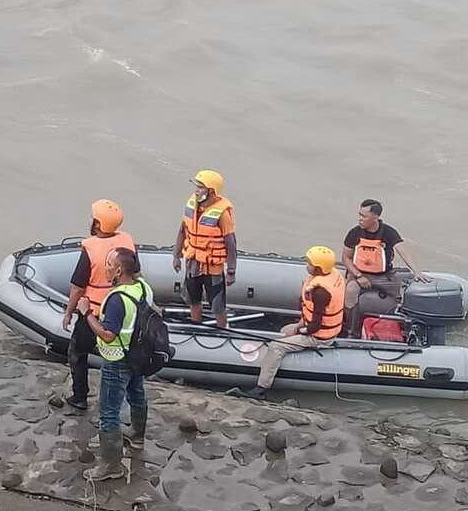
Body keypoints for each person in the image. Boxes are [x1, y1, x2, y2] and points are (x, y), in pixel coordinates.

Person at [74, 247, 152, 481]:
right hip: (137, 355)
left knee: (108, 412)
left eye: (108, 265)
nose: (105, 269)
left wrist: (87, 313)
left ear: (118, 271)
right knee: (137, 394)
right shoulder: (143, 288)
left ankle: (111, 465)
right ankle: (137, 437)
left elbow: (108, 335)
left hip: (117, 359)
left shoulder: (117, 299)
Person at [60, 199, 138, 410]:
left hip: (93, 311)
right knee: (122, 356)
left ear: (97, 224)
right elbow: (136, 273)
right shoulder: (127, 242)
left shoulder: (90, 249)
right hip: (121, 308)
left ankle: (80, 396)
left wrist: (69, 312)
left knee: (77, 352)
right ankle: (127, 399)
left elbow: (78, 287)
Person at [239, 246, 345, 400]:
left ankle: (261, 389)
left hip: (319, 337)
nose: (307, 266)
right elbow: (312, 314)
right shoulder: (333, 276)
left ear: (318, 268)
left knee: (276, 347)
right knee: (284, 330)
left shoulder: (320, 292)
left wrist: (299, 331)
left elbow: (315, 326)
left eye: (309, 263)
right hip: (318, 329)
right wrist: (297, 326)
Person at [342, 199, 429, 337]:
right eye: (359, 215)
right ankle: (351, 331)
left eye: (364, 216)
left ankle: (403, 327)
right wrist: (358, 276)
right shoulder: (354, 233)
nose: (360, 219)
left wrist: (416, 272)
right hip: (359, 274)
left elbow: (402, 250)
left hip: (384, 276)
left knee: (401, 296)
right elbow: (346, 258)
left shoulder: (389, 232)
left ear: (375, 217)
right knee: (350, 292)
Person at [173, 170, 236, 328]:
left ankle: (222, 329)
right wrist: (176, 255)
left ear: (212, 191)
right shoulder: (191, 205)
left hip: (212, 266)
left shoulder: (222, 214)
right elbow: (182, 231)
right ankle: (196, 325)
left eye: (201, 187)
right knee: (193, 299)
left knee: (217, 305)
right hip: (193, 262)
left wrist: (231, 271)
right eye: (197, 186)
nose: (196, 190)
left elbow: (231, 243)